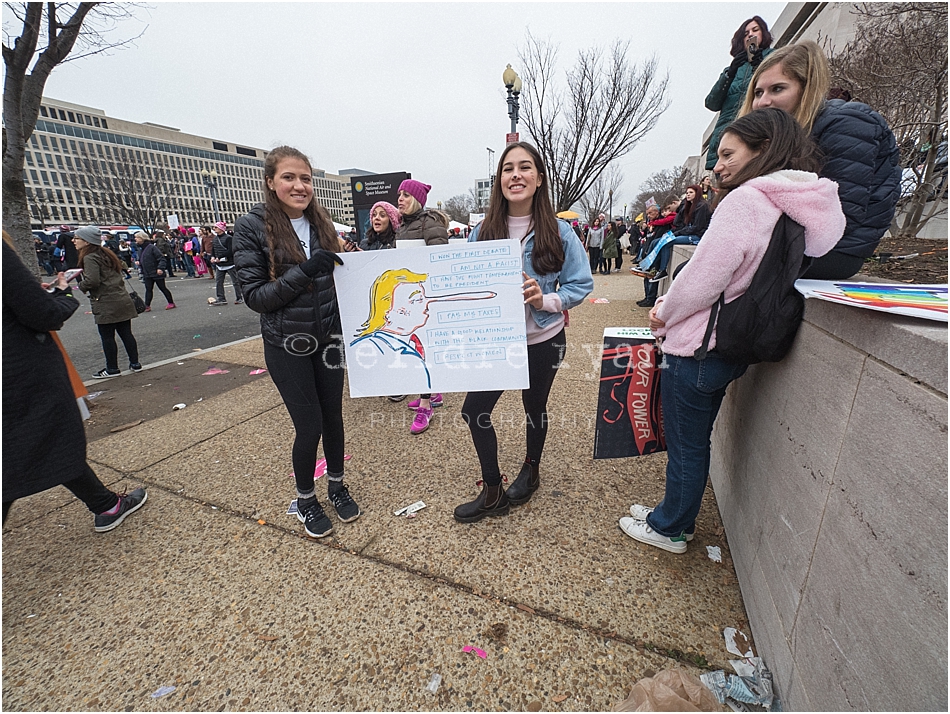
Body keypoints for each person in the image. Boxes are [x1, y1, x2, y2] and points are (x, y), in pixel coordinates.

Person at [618, 108, 845, 554]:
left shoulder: (746, 201)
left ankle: (672, 528)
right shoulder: (793, 201)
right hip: (732, 346)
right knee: (693, 443)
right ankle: (671, 513)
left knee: (687, 448)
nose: (717, 165)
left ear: (762, 151)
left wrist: (664, 308)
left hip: (700, 348)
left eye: (727, 154)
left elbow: (704, 277)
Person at [455, 142, 594, 523]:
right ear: (499, 180)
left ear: (538, 178)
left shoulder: (560, 232)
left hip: (543, 340)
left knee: (534, 409)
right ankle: (492, 491)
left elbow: (581, 285)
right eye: (508, 169)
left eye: (525, 167)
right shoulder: (482, 232)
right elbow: (465, 285)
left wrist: (544, 300)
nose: (515, 175)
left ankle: (531, 469)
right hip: (498, 343)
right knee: (474, 411)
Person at [233, 145, 359, 539]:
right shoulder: (251, 226)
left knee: (334, 419)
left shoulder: (322, 223)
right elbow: (256, 296)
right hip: (288, 346)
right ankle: (306, 498)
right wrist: (305, 271)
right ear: (271, 182)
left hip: (329, 340)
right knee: (309, 426)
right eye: (289, 177)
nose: (299, 185)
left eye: (305, 178)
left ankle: (336, 485)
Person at [3, 231, 148, 532]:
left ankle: (105, 504)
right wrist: (63, 293)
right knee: (50, 439)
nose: (73, 242)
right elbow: (43, 314)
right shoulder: (101, 255)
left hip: (17, 378)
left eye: (78, 239)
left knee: (46, 442)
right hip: (20, 374)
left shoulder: (93, 257)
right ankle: (106, 505)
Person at [739, 40, 901, 279]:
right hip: (794, 245)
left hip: (835, 252)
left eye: (778, 89)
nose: (763, 102)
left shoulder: (848, 122)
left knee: (709, 273)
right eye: (758, 92)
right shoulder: (786, 136)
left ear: (807, 89)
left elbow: (841, 216)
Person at [395, 179, 449, 434]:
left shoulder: (430, 224)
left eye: (405, 195)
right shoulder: (404, 225)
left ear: (416, 199)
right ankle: (431, 393)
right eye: (399, 195)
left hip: (425, 297)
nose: (400, 199)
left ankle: (426, 405)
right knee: (416, 347)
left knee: (423, 349)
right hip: (410, 295)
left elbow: (440, 260)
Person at [704, 15, 774, 171]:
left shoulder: (774, 57)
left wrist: (759, 66)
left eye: (755, 30)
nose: (750, 34)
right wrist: (730, 73)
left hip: (755, 136)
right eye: (746, 33)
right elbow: (711, 103)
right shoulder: (732, 70)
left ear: (764, 33)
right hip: (726, 138)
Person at [72, 225, 142, 378]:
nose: (73, 241)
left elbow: (93, 281)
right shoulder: (106, 254)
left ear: (87, 241)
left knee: (107, 336)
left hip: (105, 301)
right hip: (121, 298)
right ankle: (135, 363)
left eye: (77, 238)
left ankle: (112, 368)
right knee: (126, 333)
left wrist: (79, 286)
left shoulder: (89, 257)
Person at [648, 185, 713, 282]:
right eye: (687, 193)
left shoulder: (702, 206)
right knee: (662, 240)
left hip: (698, 236)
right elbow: (686, 226)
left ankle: (662, 270)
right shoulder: (690, 206)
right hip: (690, 233)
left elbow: (697, 227)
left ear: (697, 193)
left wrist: (677, 234)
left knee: (667, 242)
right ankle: (652, 267)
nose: (688, 195)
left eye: (691, 192)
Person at [133, 231, 176, 311]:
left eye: (137, 237)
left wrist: (160, 268)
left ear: (142, 238)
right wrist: (139, 262)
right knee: (148, 289)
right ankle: (147, 305)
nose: (135, 239)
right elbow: (143, 258)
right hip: (147, 272)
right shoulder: (140, 249)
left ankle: (171, 303)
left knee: (162, 288)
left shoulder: (152, 247)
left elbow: (161, 258)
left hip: (156, 272)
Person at [210, 221, 244, 305]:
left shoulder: (228, 238)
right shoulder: (215, 239)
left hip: (230, 264)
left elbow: (231, 250)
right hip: (220, 265)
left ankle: (239, 297)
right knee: (219, 282)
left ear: (221, 229)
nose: (214, 229)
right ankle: (221, 298)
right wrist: (213, 257)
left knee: (235, 281)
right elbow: (213, 249)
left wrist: (220, 257)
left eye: (216, 227)